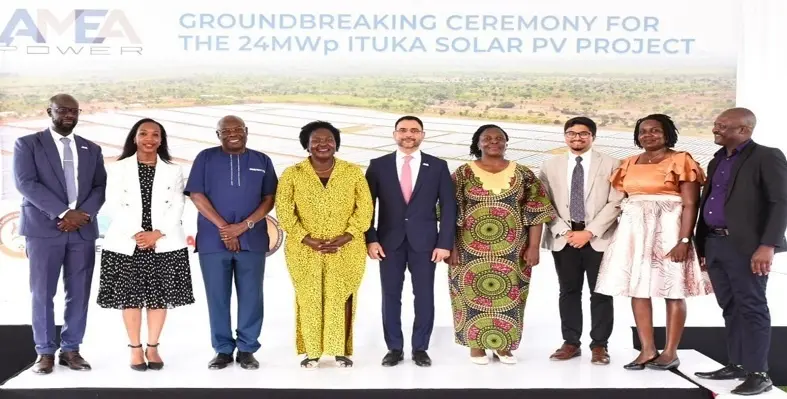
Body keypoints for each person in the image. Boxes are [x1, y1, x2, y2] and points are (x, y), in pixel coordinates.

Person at [594, 114, 713, 371]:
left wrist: (684, 239)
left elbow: (691, 204)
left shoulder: (681, 160)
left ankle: (670, 352)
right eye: (643, 131)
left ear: (667, 133)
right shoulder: (629, 162)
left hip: (670, 230)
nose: (648, 135)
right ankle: (647, 349)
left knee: (673, 289)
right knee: (638, 289)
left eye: (655, 130)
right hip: (634, 232)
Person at [693, 108, 787, 395]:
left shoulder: (767, 156)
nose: (715, 129)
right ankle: (737, 364)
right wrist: (703, 245)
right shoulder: (717, 160)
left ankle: (759, 374)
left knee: (752, 307)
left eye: (722, 126)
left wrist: (767, 246)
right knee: (730, 307)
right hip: (715, 244)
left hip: (748, 248)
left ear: (743, 130)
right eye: (716, 124)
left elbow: (780, 202)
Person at [12, 94, 107, 374]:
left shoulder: (92, 148)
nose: (69, 115)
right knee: (42, 292)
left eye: (74, 111)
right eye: (62, 110)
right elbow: (26, 183)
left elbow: (100, 187)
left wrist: (82, 215)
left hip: (82, 231)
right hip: (43, 230)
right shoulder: (28, 144)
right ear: (49, 111)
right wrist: (64, 213)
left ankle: (71, 349)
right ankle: (44, 352)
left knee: (79, 292)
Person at [447, 124, 556, 365]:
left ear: (506, 142)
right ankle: (476, 346)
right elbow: (449, 212)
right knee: (470, 295)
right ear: (478, 143)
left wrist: (534, 246)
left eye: (499, 138)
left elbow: (536, 211)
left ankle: (503, 346)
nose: (493, 142)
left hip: (513, 251)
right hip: (468, 250)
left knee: (510, 295)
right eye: (487, 138)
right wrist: (450, 246)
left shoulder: (524, 174)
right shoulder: (463, 173)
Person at [97, 118, 195, 371]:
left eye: (155, 135)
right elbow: (113, 203)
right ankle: (135, 349)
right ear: (135, 138)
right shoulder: (117, 168)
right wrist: (138, 234)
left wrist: (157, 234)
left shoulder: (173, 170)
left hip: (164, 241)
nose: (149, 139)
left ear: (161, 140)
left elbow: (178, 204)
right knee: (130, 299)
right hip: (126, 242)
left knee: (158, 298)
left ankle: (153, 347)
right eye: (144, 134)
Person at [275, 121, 373, 368]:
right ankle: (312, 352)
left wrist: (348, 235)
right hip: (304, 249)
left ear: (336, 144)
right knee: (309, 298)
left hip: (347, 248)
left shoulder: (352, 172)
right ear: (307, 145)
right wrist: (306, 238)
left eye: (329, 139)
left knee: (342, 296)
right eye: (316, 140)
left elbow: (365, 209)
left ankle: (340, 351)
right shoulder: (292, 174)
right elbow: (284, 211)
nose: (323, 144)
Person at [184, 115, 278, 370]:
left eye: (237, 129)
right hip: (213, 240)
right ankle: (223, 349)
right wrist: (225, 229)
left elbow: (269, 198)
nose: (232, 133)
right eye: (226, 130)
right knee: (217, 297)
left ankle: (247, 349)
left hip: (252, 239)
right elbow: (196, 195)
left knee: (251, 296)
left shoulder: (262, 160)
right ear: (218, 135)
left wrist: (243, 226)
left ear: (246, 131)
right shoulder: (205, 158)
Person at [365, 115, 456, 367]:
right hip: (388, 243)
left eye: (414, 130)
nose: (408, 134)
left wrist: (444, 243)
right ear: (395, 134)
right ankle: (394, 348)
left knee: (424, 296)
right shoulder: (378, 165)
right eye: (403, 130)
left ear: (422, 135)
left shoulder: (437, 166)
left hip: (426, 244)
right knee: (390, 296)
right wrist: (371, 239)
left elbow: (449, 207)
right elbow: (366, 207)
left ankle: (420, 348)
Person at [538, 117, 623, 365]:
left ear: (593, 136)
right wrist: (565, 231)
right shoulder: (550, 165)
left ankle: (600, 345)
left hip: (599, 238)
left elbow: (617, 201)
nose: (577, 138)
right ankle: (571, 343)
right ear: (565, 136)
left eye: (583, 133)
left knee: (601, 293)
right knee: (569, 292)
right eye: (572, 133)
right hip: (564, 238)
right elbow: (543, 202)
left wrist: (590, 232)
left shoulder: (612, 163)